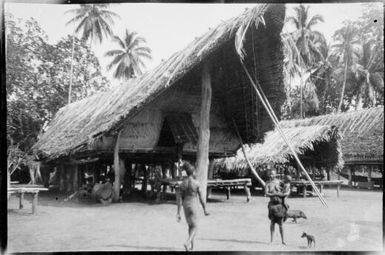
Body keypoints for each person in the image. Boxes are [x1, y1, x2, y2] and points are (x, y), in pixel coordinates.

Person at [176, 161, 209, 251]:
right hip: (193, 203)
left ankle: (192, 247)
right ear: (193, 172)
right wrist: (205, 209)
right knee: (195, 226)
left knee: (190, 225)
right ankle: (187, 242)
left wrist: (178, 213)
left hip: (186, 205)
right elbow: (202, 198)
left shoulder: (182, 184)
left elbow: (179, 200)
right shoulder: (196, 183)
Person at [265, 169, 287, 245]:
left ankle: (283, 240)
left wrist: (281, 195)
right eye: (270, 174)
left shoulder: (280, 182)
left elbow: (286, 191)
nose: (271, 175)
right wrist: (275, 194)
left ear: (275, 174)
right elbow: (266, 193)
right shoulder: (268, 183)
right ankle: (271, 240)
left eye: (272, 174)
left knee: (281, 224)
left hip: (280, 206)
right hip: (272, 206)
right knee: (272, 223)